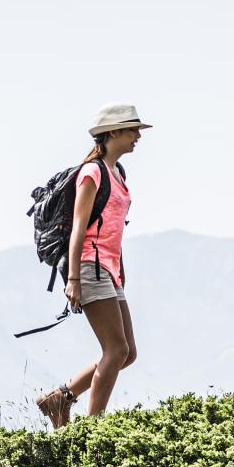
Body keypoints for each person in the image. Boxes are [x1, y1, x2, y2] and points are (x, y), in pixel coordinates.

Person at [34, 105, 147, 428]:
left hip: (109, 268)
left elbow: (113, 225)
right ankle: (92, 430)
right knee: (115, 350)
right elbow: (79, 228)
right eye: (132, 130)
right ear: (113, 132)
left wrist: (120, 267)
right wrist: (73, 279)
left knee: (127, 352)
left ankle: (60, 398)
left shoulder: (117, 173)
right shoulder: (92, 172)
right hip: (88, 266)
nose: (138, 136)